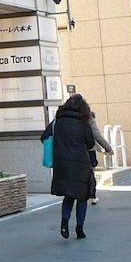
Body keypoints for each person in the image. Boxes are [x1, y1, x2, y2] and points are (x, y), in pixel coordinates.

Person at [41, 94, 96, 239]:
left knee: (69, 194)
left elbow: (44, 137)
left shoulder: (58, 121)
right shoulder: (84, 123)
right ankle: (80, 228)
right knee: (82, 196)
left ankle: (65, 221)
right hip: (81, 164)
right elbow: (90, 143)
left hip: (62, 165)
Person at [88, 111, 115, 205]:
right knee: (90, 173)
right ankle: (92, 196)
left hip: (73, 151)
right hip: (89, 150)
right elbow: (97, 135)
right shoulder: (89, 117)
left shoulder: (66, 118)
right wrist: (108, 148)